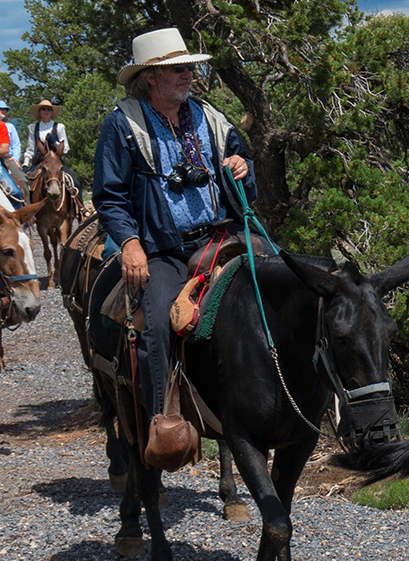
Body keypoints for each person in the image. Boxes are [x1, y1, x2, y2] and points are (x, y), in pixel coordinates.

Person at [92, 27, 266, 449]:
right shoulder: (122, 125)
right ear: (151, 78)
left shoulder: (211, 118)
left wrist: (244, 167)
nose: (188, 74)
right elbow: (109, 196)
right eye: (178, 69)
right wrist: (130, 243)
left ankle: (274, 402)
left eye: (189, 66)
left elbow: (243, 170)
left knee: (274, 290)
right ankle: (163, 422)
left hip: (218, 236)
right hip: (161, 247)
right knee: (157, 325)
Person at [21, 98, 69, 168]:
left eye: (49, 109)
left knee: (72, 178)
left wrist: (54, 142)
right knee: (26, 178)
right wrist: (26, 164)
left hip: (56, 161)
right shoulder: (34, 128)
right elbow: (30, 148)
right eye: (43, 109)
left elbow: (65, 149)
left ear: (51, 112)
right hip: (40, 161)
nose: (46, 111)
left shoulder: (59, 127)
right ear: (39, 112)